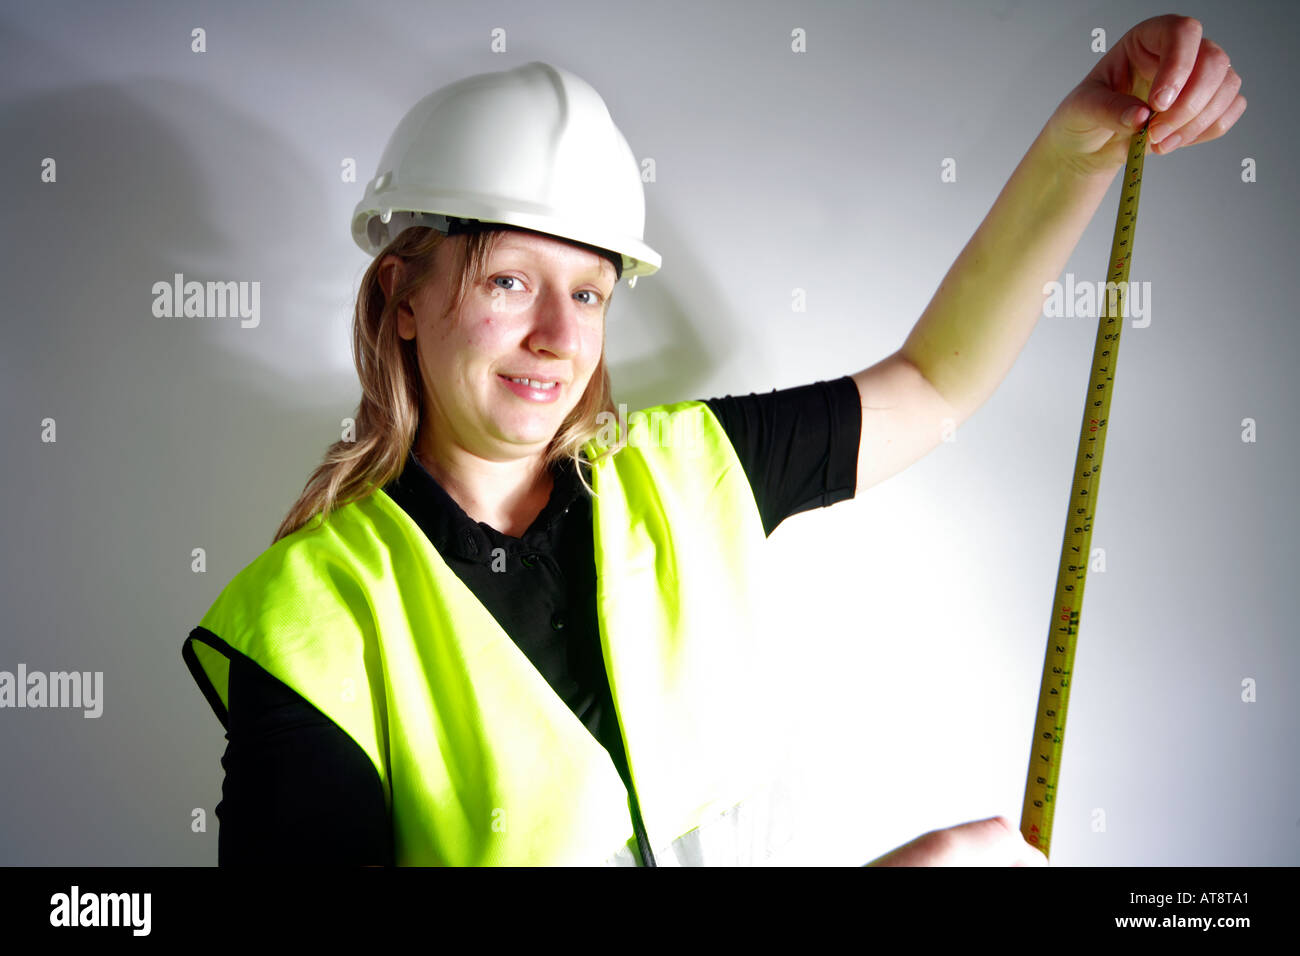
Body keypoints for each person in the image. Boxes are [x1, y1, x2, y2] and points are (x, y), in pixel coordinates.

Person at [182, 15, 1244, 866]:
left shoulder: (686, 471)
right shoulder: (312, 625)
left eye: (589, 291)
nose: (558, 336)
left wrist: (1081, 143)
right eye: (510, 279)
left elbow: (934, 380)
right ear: (401, 295)